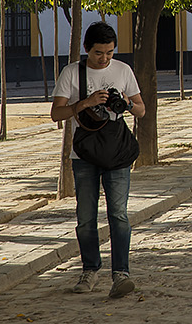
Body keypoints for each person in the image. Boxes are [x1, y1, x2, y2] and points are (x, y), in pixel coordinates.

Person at [51, 22, 145, 298]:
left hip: (116, 152)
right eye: (98, 53)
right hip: (85, 154)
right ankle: (89, 269)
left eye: (109, 52)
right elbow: (56, 113)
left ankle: (121, 273)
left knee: (119, 215)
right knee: (85, 217)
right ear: (86, 50)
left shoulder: (123, 70)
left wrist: (127, 104)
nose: (104, 58)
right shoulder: (72, 72)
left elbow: (142, 110)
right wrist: (86, 102)